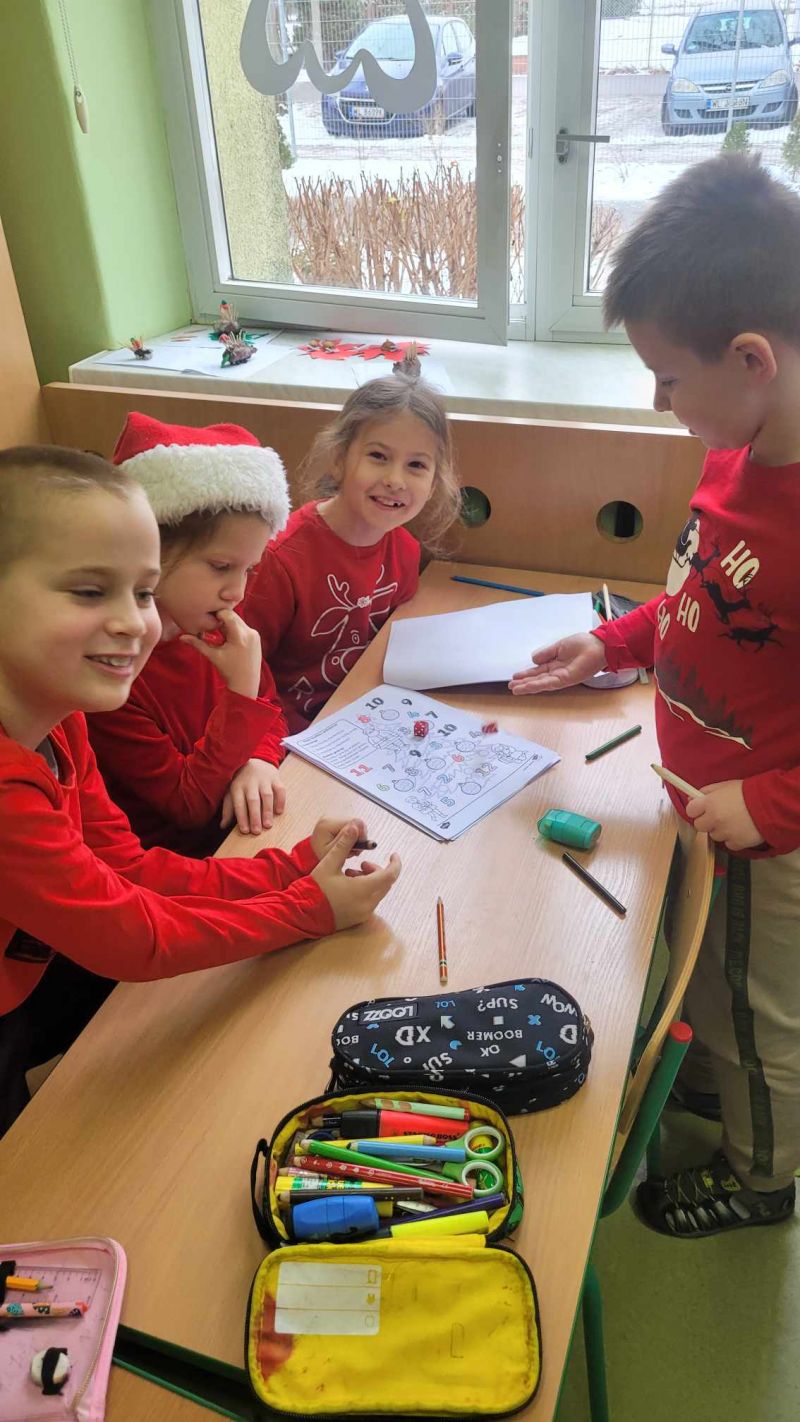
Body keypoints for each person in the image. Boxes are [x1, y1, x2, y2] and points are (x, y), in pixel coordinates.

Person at [511, 154, 800, 1238]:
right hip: (701, 795)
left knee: (759, 1017)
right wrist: (612, 642)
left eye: (667, 379)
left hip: (764, 837)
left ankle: (762, 1177)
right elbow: (699, 596)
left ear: (751, 359)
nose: (656, 401)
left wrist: (770, 806)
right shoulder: (739, 445)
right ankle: (718, 1078)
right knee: (712, 984)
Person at [0, 445, 400, 1136]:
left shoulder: (62, 721)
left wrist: (292, 867)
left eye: (144, 592)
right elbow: (134, 939)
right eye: (90, 591)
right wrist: (308, 909)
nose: (135, 622)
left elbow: (128, 868)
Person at [90, 413, 291, 852]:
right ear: (151, 550)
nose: (237, 591)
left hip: (238, 832)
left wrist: (259, 759)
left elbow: (270, 709)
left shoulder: (215, 618)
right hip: (175, 857)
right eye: (221, 566)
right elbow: (187, 806)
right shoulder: (114, 667)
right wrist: (240, 695)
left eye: (249, 569)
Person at [244, 350, 461, 731]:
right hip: (287, 733)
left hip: (367, 718)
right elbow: (240, 671)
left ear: (433, 483)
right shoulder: (280, 559)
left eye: (416, 465)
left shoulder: (405, 551)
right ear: (339, 459)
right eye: (378, 456)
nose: (395, 480)